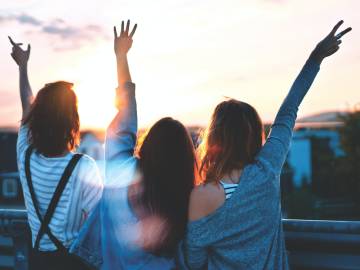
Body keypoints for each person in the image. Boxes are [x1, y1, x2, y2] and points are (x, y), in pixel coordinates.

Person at [183, 21, 352, 269]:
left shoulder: (200, 197)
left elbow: (194, 262)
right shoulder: (266, 169)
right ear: (252, 136)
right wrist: (316, 58)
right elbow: (288, 112)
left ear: (214, 137)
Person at [71, 20, 197, 269]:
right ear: (184, 158)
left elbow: (126, 114)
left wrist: (121, 56)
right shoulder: (184, 198)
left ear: (148, 144)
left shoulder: (122, 171)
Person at [9, 37, 103, 270]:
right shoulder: (84, 167)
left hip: (37, 261)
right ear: (72, 122)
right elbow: (98, 225)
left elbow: (26, 107)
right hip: (73, 262)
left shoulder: (25, 157)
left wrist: (22, 67)